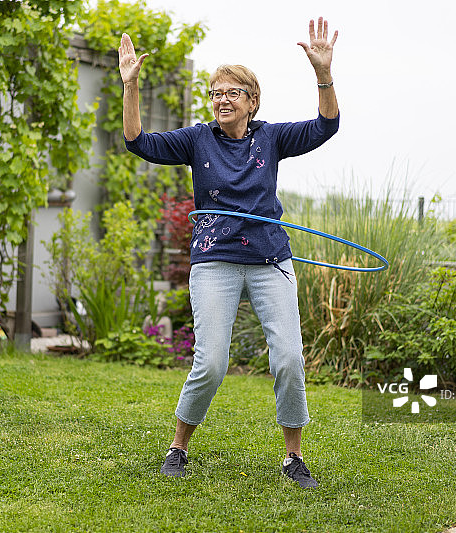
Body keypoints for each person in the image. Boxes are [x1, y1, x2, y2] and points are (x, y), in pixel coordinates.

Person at [118, 18, 339, 489]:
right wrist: (130, 85)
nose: (222, 99)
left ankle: (293, 458)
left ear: (252, 101)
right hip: (215, 258)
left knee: (288, 359)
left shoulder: (272, 138)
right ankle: (178, 447)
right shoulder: (198, 140)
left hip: (269, 259)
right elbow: (138, 142)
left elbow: (326, 125)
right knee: (212, 360)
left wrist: (323, 73)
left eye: (233, 92)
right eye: (217, 91)